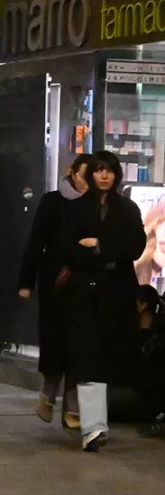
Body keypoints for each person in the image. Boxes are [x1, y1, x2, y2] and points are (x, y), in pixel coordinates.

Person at [48, 150, 145, 452]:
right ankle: (93, 427)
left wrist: (99, 247)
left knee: (108, 358)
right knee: (86, 357)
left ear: (117, 175)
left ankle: (98, 420)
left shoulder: (127, 209)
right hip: (82, 295)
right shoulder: (76, 209)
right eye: (99, 170)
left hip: (116, 296)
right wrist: (99, 256)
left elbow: (135, 246)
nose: (104, 175)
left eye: (110, 171)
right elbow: (65, 248)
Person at [18, 155, 91, 428]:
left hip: (84, 283)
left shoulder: (95, 204)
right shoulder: (52, 201)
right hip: (55, 283)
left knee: (79, 346)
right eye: (85, 175)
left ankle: (72, 405)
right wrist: (26, 281)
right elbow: (36, 241)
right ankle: (47, 396)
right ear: (72, 173)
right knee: (54, 341)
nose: (90, 181)